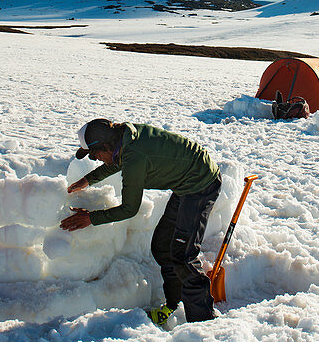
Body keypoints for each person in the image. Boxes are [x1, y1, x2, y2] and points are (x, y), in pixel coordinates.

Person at [61, 119, 221, 324]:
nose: (95, 159)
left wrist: (90, 218)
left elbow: (129, 209)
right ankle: (175, 302)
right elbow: (116, 160)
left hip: (201, 183)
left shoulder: (134, 156)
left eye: (94, 154)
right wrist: (88, 179)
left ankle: (203, 322)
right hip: (186, 182)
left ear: (104, 145)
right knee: (162, 246)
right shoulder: (124, 139)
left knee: (183, 255)